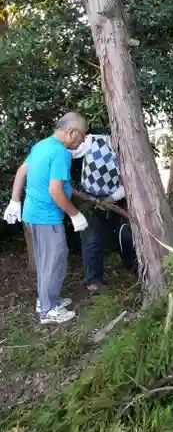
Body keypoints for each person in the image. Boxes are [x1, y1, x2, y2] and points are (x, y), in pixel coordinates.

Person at [3, 112, 89, 324]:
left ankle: (47, 300)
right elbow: (55, 191)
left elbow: (22, 170)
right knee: (55, 260)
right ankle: (49, 311)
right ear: (71, 132)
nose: (83, 141)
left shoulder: (42, 145)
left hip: (33, 214)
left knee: (46, 260)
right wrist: (75, 214)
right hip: (46, 217)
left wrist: (15, 201)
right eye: (83, 136)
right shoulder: (60, 153)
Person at [70, 133, 136, 291]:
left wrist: (111, 199)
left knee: (125, 235)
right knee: (91, 239)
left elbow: (128, 184)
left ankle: (133, 270)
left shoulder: (129, 154)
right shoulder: (93, 141)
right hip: (88, 198)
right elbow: (69, 152)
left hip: (115, 200)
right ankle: (93, 281)